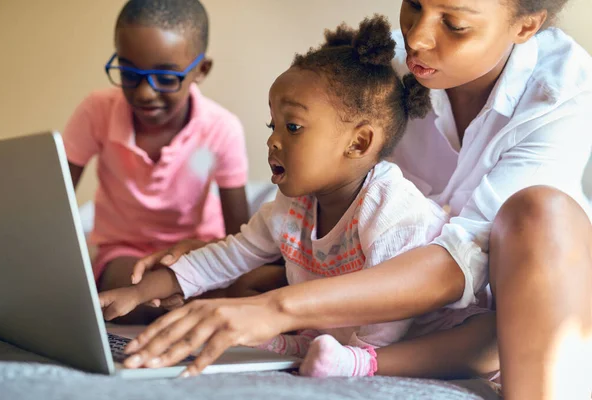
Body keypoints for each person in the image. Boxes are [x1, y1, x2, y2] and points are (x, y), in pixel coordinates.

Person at [117, 1, 592, 398]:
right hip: (377, 279)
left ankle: (359, 361)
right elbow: (318, 201)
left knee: (539, 212)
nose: (418, 38)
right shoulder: (374, 71)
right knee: (229, 287)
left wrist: (277, 308)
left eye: (454, 24)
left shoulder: (562, 90)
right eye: (414, 5)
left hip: (499, 303)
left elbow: (460, 265)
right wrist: (211, 266)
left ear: (525, 26)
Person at [98, 15, 493, 377]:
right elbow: (230, 254)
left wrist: (355, 352)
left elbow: (389, 310)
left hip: (416, 331)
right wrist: (139, 292)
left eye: (293, 127)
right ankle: (311, 346)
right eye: (273, 124)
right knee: (241, 320)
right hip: (334, 326)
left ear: (358, 142)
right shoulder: (292, 205)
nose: (272, 140)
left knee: (489, 335)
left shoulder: (391, 207)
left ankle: (355, 361)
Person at [63, 0, 250, 303]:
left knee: (220, 286)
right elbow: (55, 201)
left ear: (201, 70)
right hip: (124, 252)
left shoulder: (221, 128)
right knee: (129, 292)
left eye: (165, 78)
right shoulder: (97, 111)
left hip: (196, 250)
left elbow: (240, 239)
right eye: (129, 73)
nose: (144, 92)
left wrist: (219, 273)